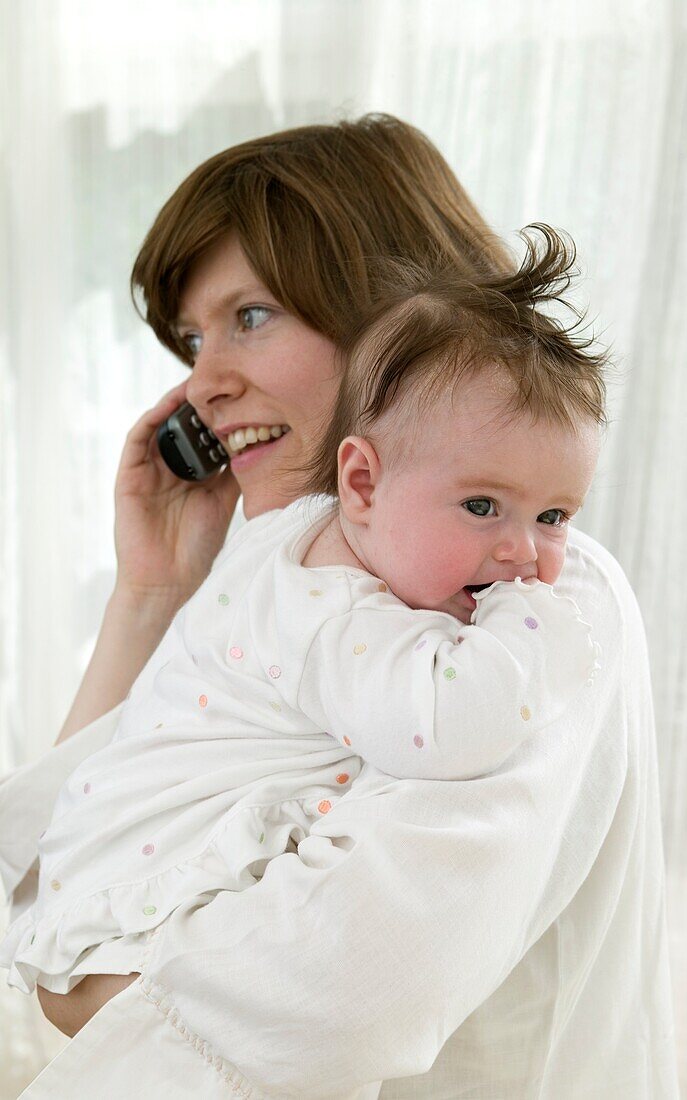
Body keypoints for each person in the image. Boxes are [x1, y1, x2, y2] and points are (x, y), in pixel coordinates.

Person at [0, 115, 678, 1097]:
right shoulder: (293, 569)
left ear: (403, 311)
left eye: (252, 314)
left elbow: (326, 999)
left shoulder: (531, 598)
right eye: (195, 335)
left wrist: (79, 989)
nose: (205, 380)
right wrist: (150, 594)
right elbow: (61, 854)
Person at [1, 243, 604, 998]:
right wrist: (536, 620)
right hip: (130, 928)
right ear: (361, 483)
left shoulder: (348, 542)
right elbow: (456, 721)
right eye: (482, 507)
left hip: (111, 923)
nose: (524, 555)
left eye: (554, 516)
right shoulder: (331, 599)